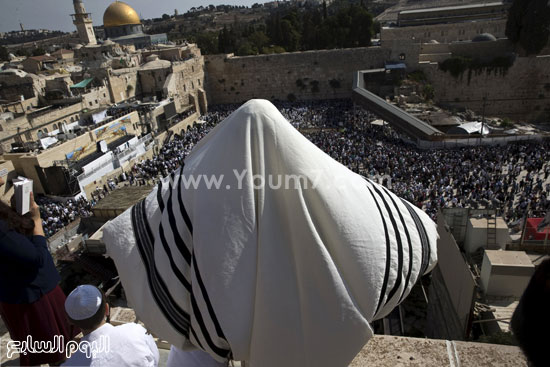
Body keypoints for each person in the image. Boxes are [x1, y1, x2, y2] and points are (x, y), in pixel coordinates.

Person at [0, 176, 78, 366]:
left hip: (20, 294)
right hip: (33, 298)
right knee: (56, 354)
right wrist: (36, 221)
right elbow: (35, 258)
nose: (3, 180)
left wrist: (18, 214)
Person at [63, 285, 159, 367]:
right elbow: (155, 360)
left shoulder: (71, 364)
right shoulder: (136, 332)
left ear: (69, 320)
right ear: (107, 309)